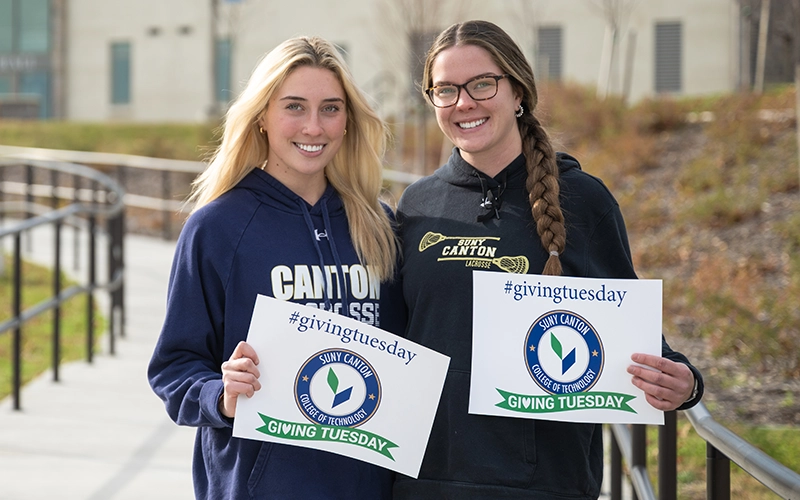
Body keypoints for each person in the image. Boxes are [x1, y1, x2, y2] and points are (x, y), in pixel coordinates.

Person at [393, 20, 703, 499]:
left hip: (547, 483)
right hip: (426, 480)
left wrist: (685, 383)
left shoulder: (583, 199)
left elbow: (633, 334)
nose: (464, 103)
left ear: (518, 91)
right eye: (445, 90)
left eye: (481, 84)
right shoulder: (416, 206)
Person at [147, 36, 404, 499]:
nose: (313, 126)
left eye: (330, 108)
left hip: (366, 485)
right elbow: (174, 367)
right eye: (294, 107)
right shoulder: (218, 227)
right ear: (263, 117)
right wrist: (219, 395)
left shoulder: (379, 225)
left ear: (347, 121)